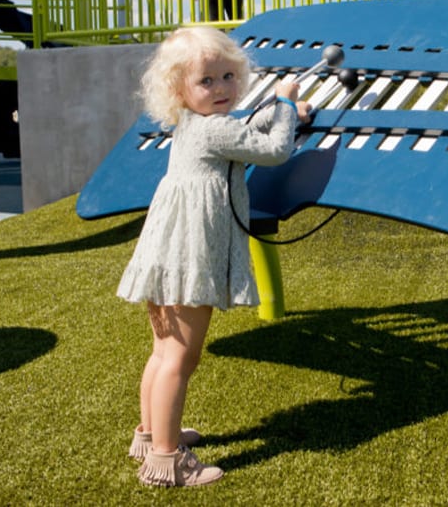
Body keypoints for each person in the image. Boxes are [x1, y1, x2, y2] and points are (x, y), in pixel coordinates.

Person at [117, 26, 311, 488]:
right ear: (178, 88)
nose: (222, 88)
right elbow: (272, 150)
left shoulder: (192, 125)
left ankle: (150, 434)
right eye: (208, 81)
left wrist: (286, 114)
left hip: (166, 254)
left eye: (228, 76)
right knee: (180, 359)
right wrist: (284, 103)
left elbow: (242, 135)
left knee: (163, 352)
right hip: (191, 257)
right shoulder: (213, 129)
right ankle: (167, 460)